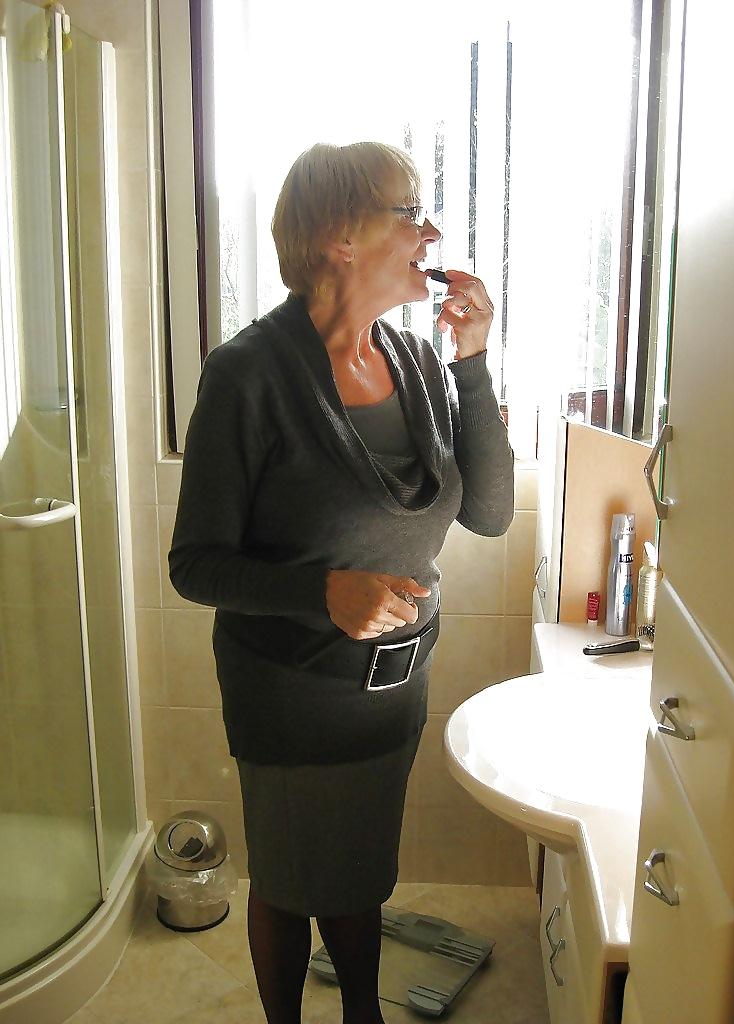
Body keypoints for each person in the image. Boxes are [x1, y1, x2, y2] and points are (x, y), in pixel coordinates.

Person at [169, 141, 515, 1024]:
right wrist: (323, 593)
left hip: (391, 690)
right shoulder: (248, 375)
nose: (431, 233)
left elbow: (490, 514)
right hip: (290, 693)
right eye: (410, 212)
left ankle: (363, 1013)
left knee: (359, 874)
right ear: (340, 238)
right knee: (291, 883)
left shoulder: (418, 363)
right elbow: (195, 564)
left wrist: (473, 360)